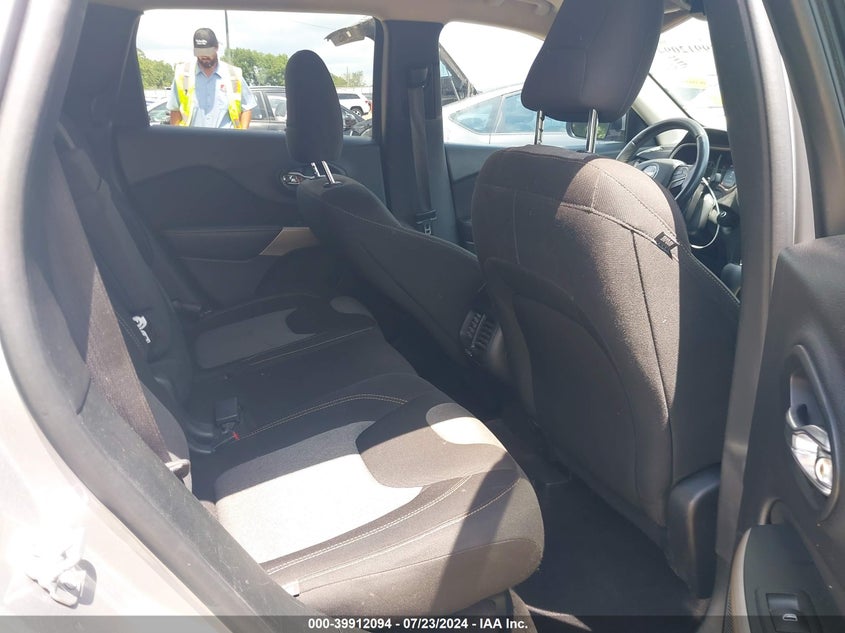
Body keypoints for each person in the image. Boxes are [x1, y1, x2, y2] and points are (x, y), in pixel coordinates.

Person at [167, 28, 256, 129]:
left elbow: (246, 108)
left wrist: (242, 134)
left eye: (208, 51)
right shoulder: (183, 75)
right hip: (193, 138)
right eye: (200, 52)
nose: (204, 56)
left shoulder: (233, 75)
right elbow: (175, 111)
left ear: (216, 47)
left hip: (226, 138)